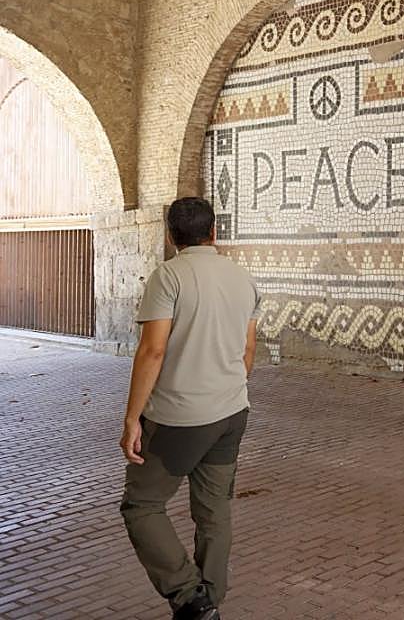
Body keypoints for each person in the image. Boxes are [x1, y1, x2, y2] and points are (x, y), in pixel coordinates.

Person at [119, 197, 260, 620]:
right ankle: (210, 600)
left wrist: (131, 419)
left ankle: (188, 596)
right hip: (232, 413)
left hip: (179, 417)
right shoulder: (243, 278)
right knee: (214, 508)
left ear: (170, 235)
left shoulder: (168, 277)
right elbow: (248, 350)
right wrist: (226, 388)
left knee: (141, 506)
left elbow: (153, 351)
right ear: (214, 232)